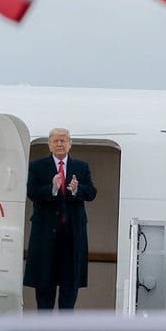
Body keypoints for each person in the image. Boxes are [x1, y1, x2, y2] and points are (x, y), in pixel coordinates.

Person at [24, 128, 96, 310]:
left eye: (63, 141)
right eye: (55, 141)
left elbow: (92, 193)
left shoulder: (81, 167)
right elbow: (31, 192)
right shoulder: (37, 166)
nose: (59, 144)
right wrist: (52, 188)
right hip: (46, 236)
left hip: (72, 236)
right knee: (45, 288)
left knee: (69, 289)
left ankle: (65, 330)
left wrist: (76, 189)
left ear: (69, 144)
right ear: (49, 144)